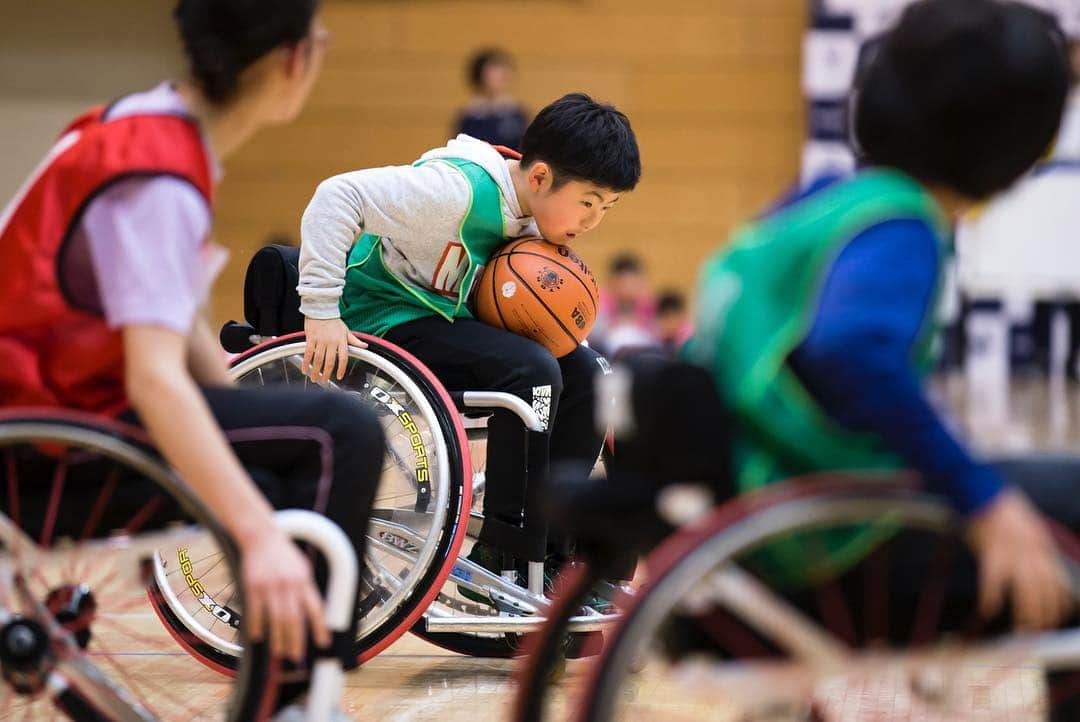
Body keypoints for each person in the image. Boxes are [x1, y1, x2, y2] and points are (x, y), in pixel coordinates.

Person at [678, 0, 1078, 715]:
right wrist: (984, 501)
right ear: (1013, 139)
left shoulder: (827, 199)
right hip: (817, 542)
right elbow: (852, 352)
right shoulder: (901, 222)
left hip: (741, 507)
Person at [0, 1, 382, 718]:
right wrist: (257, 537)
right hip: (43, 451)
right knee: (344, 432)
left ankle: (285, 682)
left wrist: (258, 415)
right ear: (294, 59)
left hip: (52, 411)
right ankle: (293, 697)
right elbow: (153, 376)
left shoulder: (141, 125)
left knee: (294, 448)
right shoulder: (160, 179)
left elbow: (176, 326)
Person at [298, 92, 640, 591]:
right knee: (531, 370)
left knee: (589, 371)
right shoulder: (454, 191)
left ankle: (558, 549)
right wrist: (321, 310)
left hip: (444, 322)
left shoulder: (535, 212)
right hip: (382, 316)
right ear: (540, 177)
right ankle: (505, 548)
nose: (592, 221)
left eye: (606, 208)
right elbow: (336, 196)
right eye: (587, 202)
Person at [453, 47, 529, 150]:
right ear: (480, 76)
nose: (497, 78)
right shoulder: (469, 116)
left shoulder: (517, 114)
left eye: (501, 73)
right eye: (492, 73)